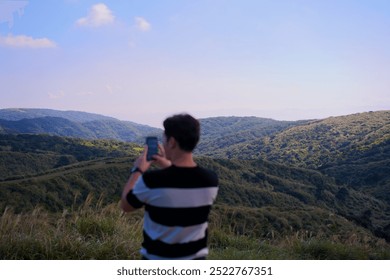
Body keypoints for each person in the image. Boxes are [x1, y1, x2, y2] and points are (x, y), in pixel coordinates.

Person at [121, 114, 219, 260]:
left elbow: (126, 205)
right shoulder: (210, 180)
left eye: (164, 139)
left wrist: (138, 170)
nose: (164, 143)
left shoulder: (152, 181)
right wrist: (166, 163)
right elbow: (182, 178)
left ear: (172, 142)